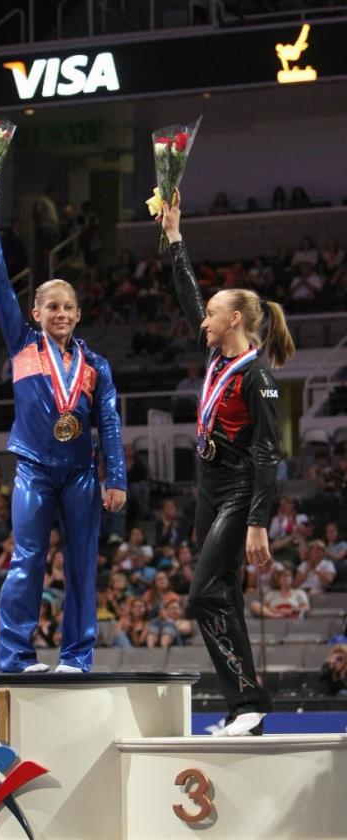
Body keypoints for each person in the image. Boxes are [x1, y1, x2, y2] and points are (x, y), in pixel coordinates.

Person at [162, 194, 295, 736]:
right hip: (210, 488)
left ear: (235, 319)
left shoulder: (256, 375)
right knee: (221, 597)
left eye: (215, 314)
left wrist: (260, 521)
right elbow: (189, 296)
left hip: (240, 489)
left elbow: (269, 453)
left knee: (203, 593)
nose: (205, 320)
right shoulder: (220, 357)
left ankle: (251, 699)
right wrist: (174, 237)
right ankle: (245, 709)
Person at [0, 204, 126, 673]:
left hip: (81, 472)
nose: (60, 313)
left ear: (78, 314)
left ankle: (76, 656)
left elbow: (111, 422)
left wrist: (115, 477)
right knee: (27, 559)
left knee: (82, 566)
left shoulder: (96, 365)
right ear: (36, 312)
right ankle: (15, 655)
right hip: (33, 470)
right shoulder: (22, 345)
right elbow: (0, 285)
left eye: (67, 306)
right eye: (51, 306)